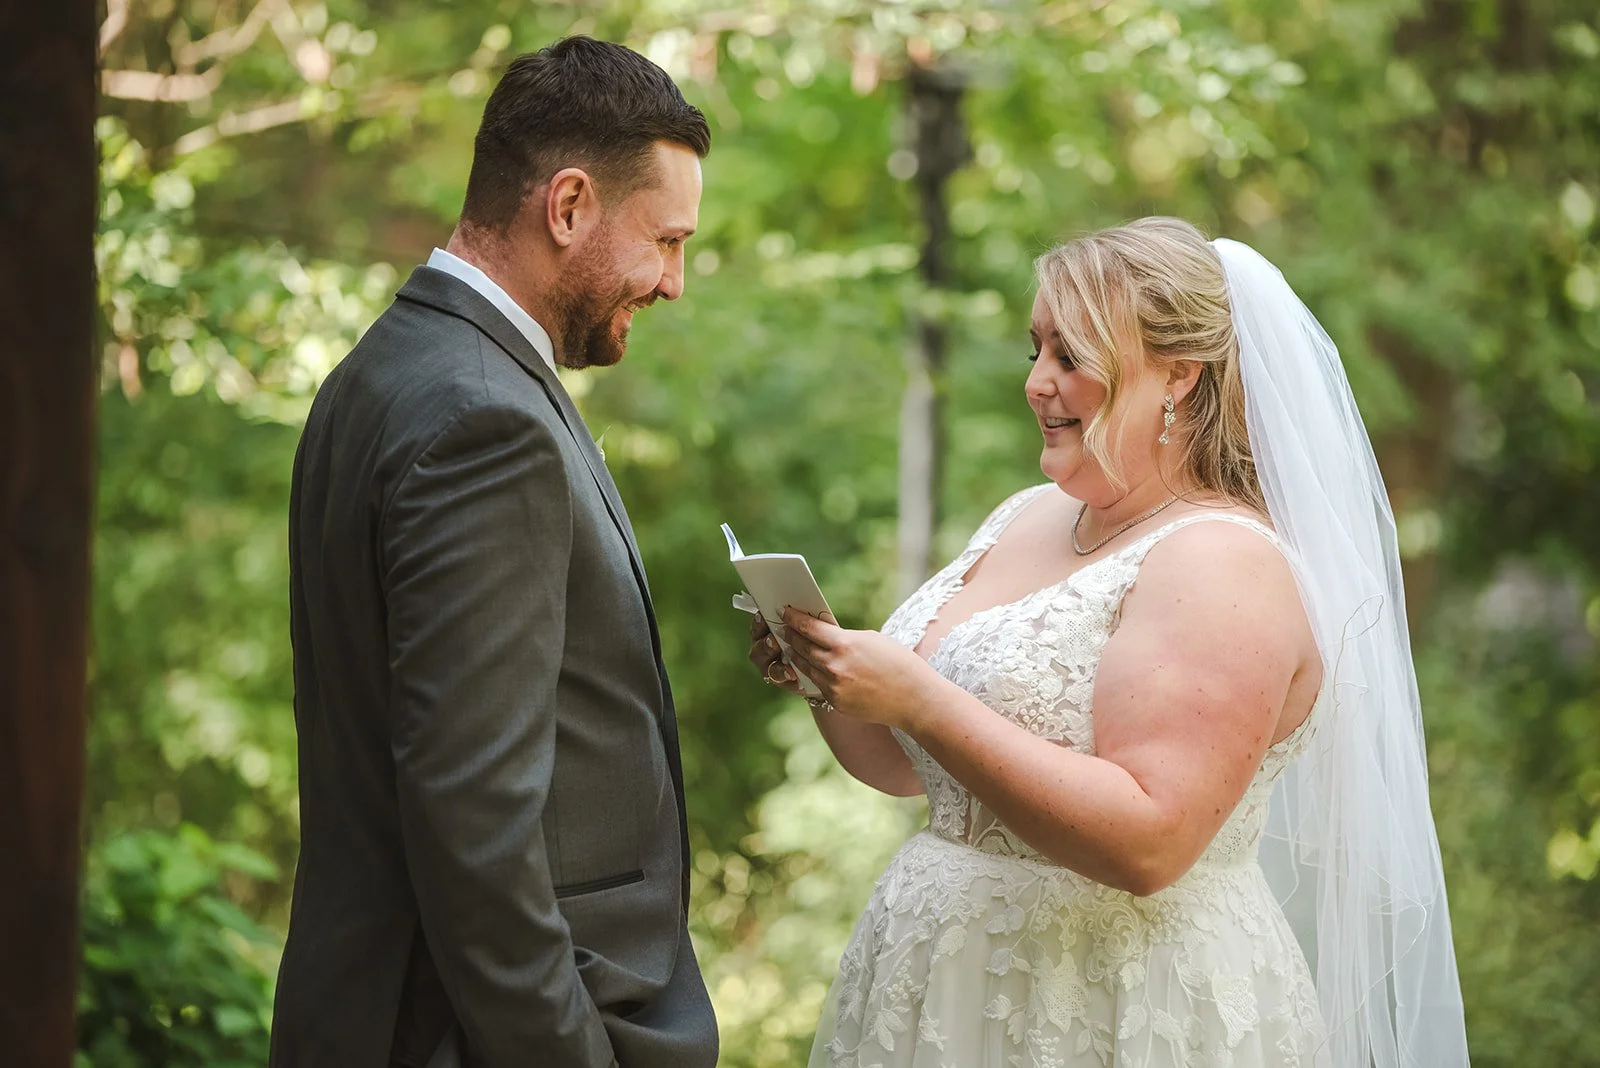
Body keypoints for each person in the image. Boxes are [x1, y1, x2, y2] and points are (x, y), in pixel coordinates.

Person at [750, 217, 1469, 1067]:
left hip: (1111, 996)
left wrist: (922, 699)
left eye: (1073, 355)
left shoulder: (1223, 561)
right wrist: (825, 675)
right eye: (1036, 351)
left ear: (1179, 373)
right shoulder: (1026, 515)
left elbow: (1150, 841)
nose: (1037, 384)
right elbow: (908, 767)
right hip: (939, 979)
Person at [271, 36, 716, 1068]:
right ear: (568, 206)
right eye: (665, 240)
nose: (673, 282)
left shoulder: (384, 370)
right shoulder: (487, 420)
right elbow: (474, 828)